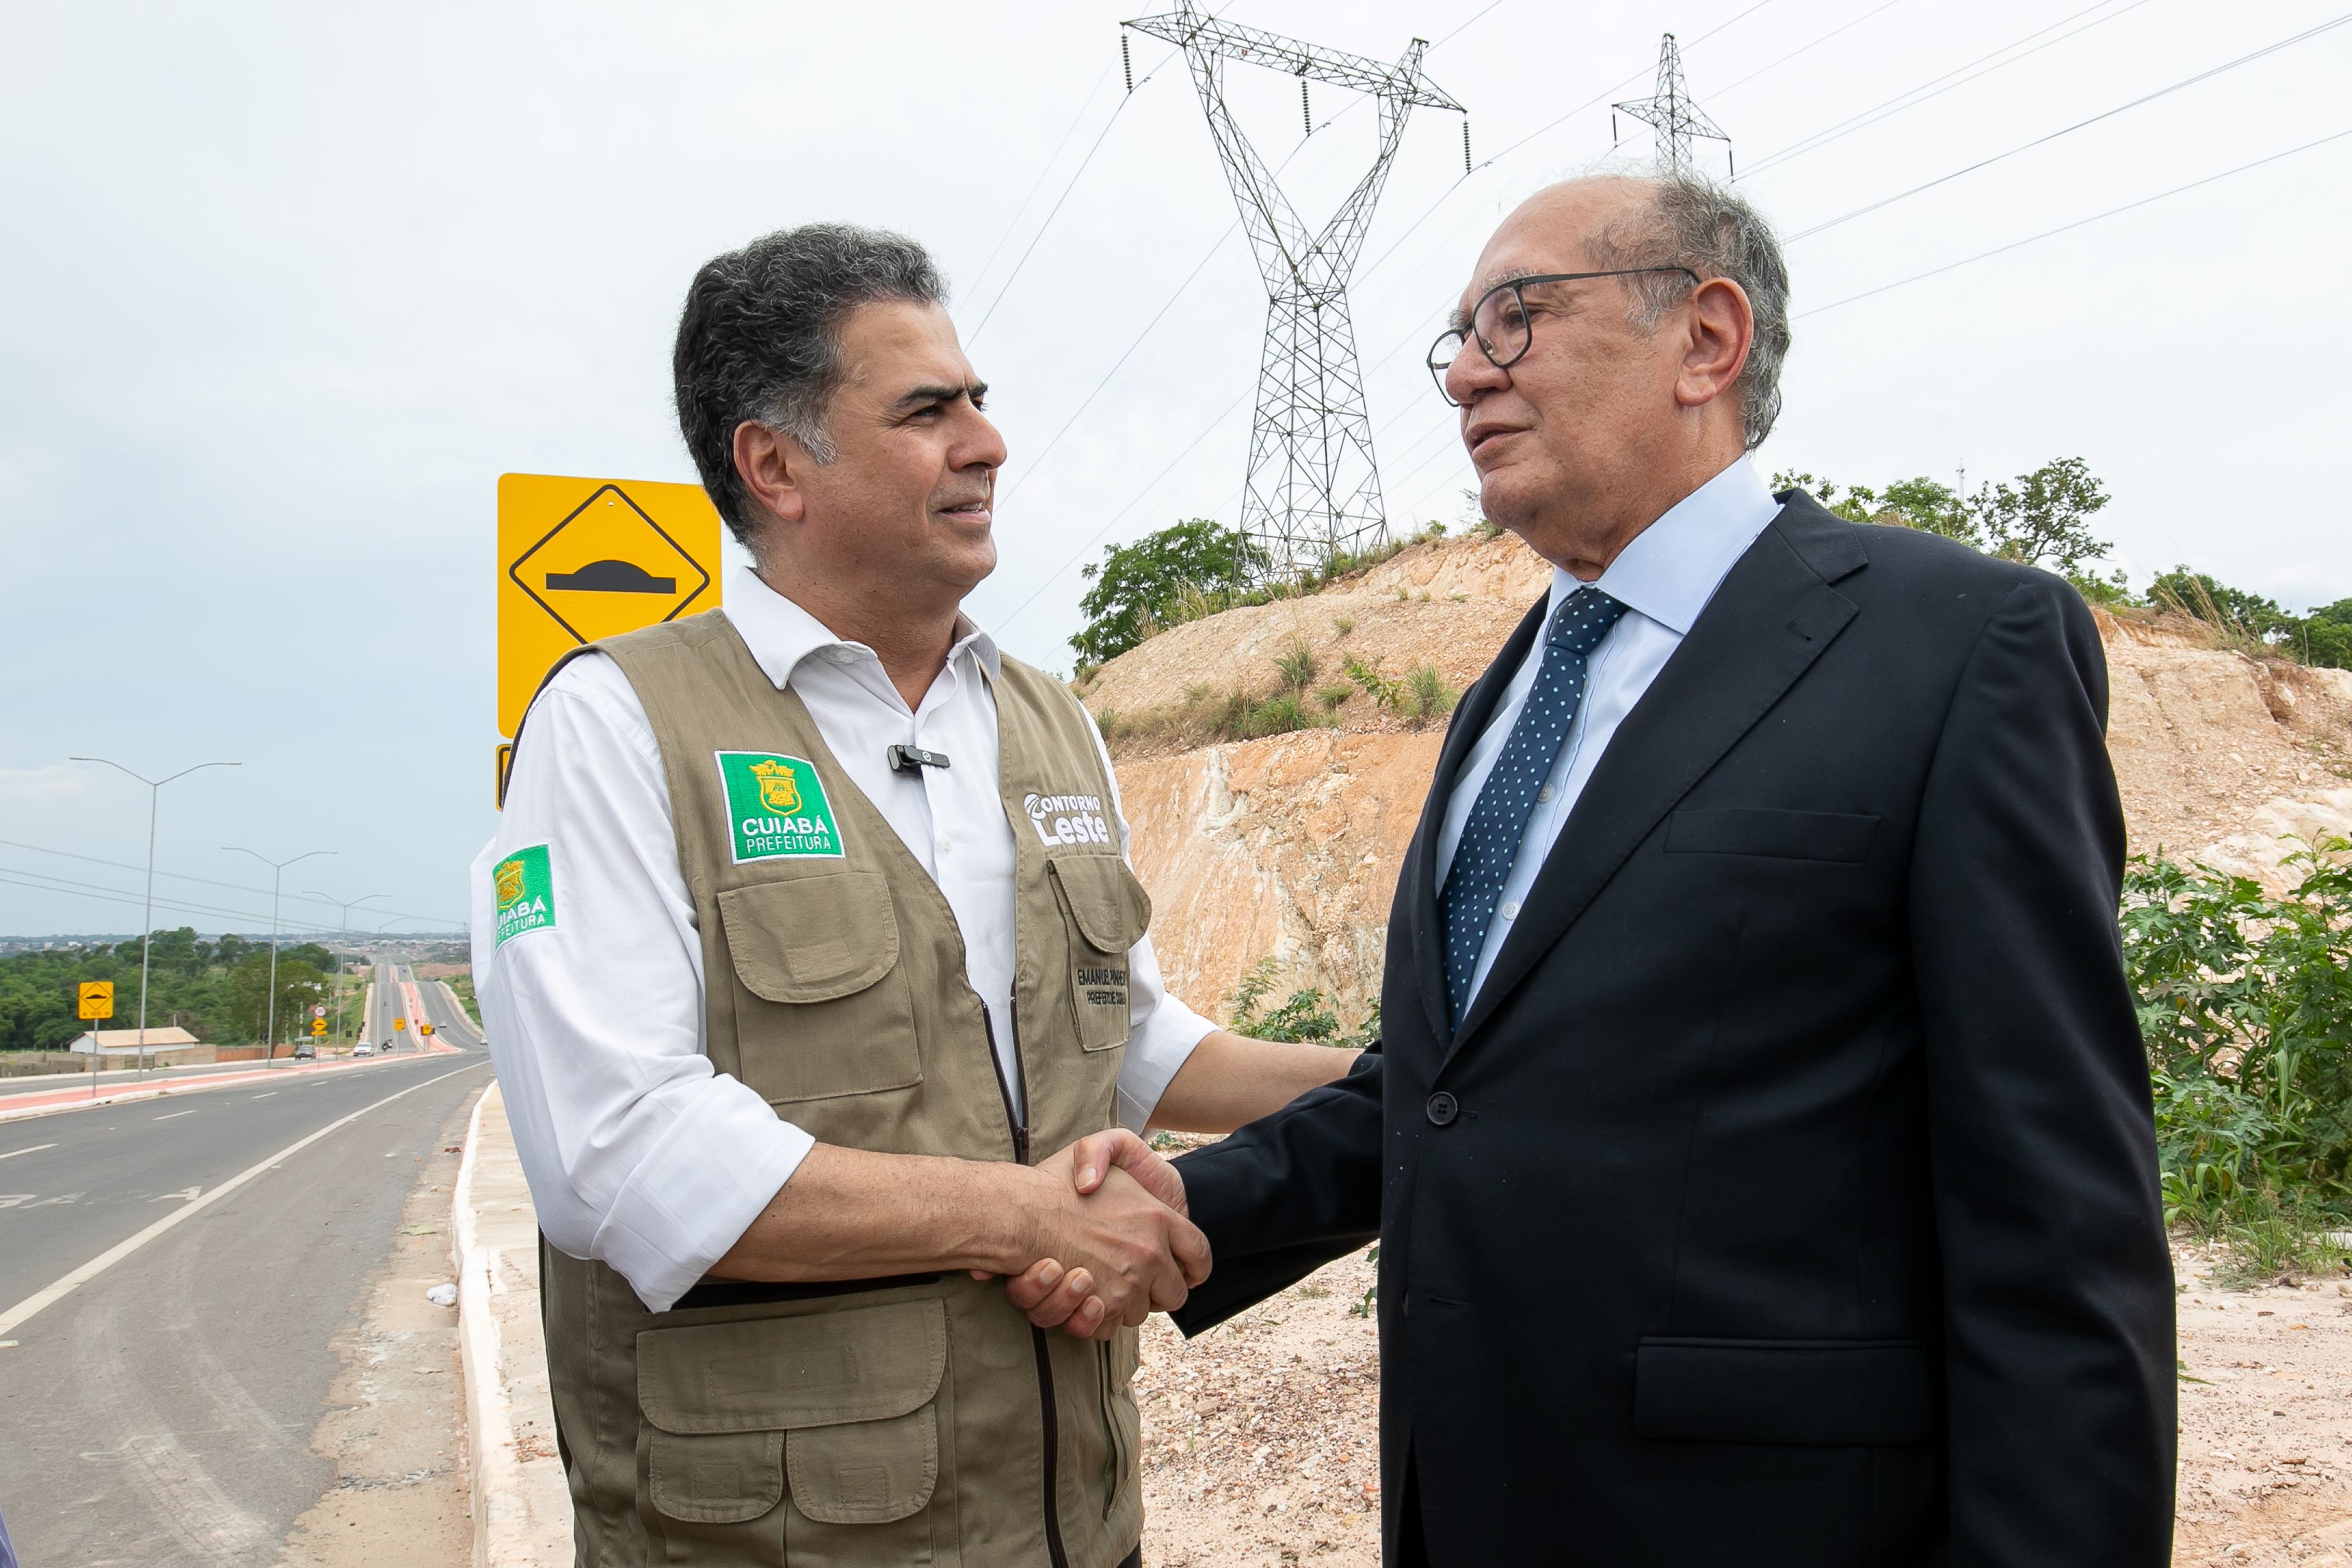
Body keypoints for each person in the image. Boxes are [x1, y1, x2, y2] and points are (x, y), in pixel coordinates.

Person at [1043, 173, 2177, 1564]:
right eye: (1457, 338)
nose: (1463, 374)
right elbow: (1458, 1087)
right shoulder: (1511, 689)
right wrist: (1197, 1204)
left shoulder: (1957, 646)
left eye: (1513, 319)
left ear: (1707, 339)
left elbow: (2054, 1211)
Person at [471, 223, 1355, 1567]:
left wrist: (1408, 1080)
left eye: (979, 402)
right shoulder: (613, 726)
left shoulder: (1051, 721)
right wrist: (1024, 1217)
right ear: (775, 465)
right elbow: (617, 1161)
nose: (985, 443)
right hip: (783, 1538)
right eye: (926, 411)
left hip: (1067, 1522)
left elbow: (1129, 1049)